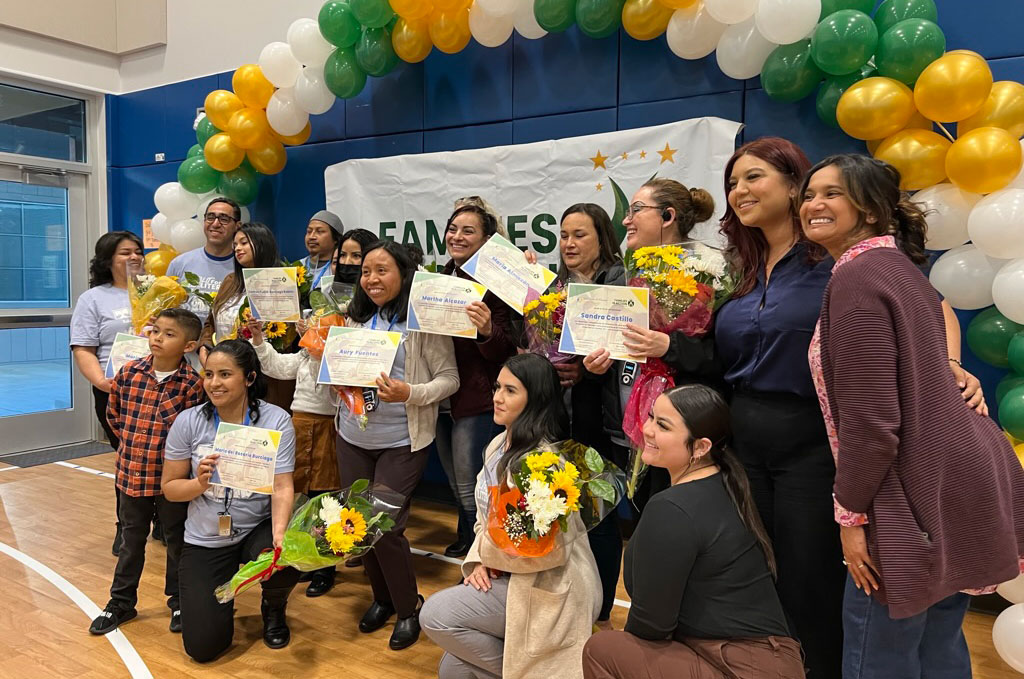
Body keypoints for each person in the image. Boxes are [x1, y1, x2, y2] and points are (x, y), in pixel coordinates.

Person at [713, 137, 988, 678]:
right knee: (769, 576)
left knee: (823, 585)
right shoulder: (743, 268)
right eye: (732, 182)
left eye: (753, 178)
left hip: (822, 446)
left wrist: (947, 370)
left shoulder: (843, 265)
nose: (738, 191)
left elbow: (926, 324)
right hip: (749, 445)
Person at [802, 154, 1024, 679]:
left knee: (878, 652)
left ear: (872, 210)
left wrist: (851, 516)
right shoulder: (896, 266)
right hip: (959, 477)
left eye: (833, 193)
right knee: (939, 645)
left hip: (911, 489)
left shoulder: (857, 277)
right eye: (810, 193)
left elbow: (874, 423)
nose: (815, 203)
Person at [582, 385, 805, 679]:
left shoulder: (673, 507)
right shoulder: (726, 482)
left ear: (701, 447)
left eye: (662, 425)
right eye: (650, 416)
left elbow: (650, 627)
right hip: (766, 660)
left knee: (604, 649)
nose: (647, 429)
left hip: (743, 666)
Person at [421, 353, 602, 679]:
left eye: (510, 391)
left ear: (536, 401)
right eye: (497, 387)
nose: (496, 398)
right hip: (508, 572)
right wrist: (477, 559)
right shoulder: (496, 446)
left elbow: (545, 553)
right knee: (452, 669)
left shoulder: (544, 463)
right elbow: (484, 520)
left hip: (549, 582)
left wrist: (488, 558)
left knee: (435, 616)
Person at [337, 240, 459, 650]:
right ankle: (382, 598)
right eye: (367, 271)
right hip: (352, 436)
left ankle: (409, 607)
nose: (372, 279)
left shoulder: (420, 322)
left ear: (404, 275)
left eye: (382, 270)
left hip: (402, 440)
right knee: (357, 529)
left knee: (384, 527)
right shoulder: (351, 322)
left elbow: (449, 379)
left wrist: (409, 392)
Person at [585, 179, 721, 509]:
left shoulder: (710, 272)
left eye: (636, 211)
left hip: (684, 428)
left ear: (668, 216)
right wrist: (595, 366)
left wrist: (668, 347)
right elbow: (606, 351)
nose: (626, 220)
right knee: (641, 510)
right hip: (627, 422)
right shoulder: (620, 274)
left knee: (676, 511)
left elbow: (722, 357)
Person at [162, 340, 300, 662]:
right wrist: (198, 483)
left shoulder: (276, 420)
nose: (213, 383)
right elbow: (169, 488)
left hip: (256, 527)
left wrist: (280, 535)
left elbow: (282, 486)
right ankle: (217, 605)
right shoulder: (189, 421)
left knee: (288, 550)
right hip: (207, 536)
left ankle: (273, 607)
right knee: (203, 649)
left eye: (225, 374)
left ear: (249, 378)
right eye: (208, 374)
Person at [88, 308, 206, 636]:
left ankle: (179, 600)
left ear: (189, 345)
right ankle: (121, 602)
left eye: (169, 334)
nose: (158, 338)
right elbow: (115, 416)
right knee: (131, 539)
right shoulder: (128, 373)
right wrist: (129, 448)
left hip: (171, 480)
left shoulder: (192, 385)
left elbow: (195, 433)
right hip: (132, 474)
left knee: (176, 540)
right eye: (155, 331)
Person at [555, 203, 627, 629]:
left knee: (599, 517)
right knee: (561, 512)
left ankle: (599, 610)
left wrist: (590, 365)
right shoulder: (552, 286)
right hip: (559, 418)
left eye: (579, 235)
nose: (568, 243)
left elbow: (635, 352)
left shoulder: (620, 282)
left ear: (602, 237)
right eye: (564, 235)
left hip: (602, 421)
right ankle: (570, 598)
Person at [436, 202, 517, 559]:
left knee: (471, 478)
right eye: (453, 229)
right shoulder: (438, 278)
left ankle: (477, 543)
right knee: (453, 477)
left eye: (468, 231)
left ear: (487, 240)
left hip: (475, 396)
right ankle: (466, 534)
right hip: (438, 394)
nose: (457, 236)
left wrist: (486, 329)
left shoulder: (497, 283)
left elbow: (507, 349)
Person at [245, 312, 340, 597]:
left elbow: (331, 386)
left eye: (319, 328)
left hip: (328, 428)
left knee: (326, 499)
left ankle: (326, 568)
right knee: (297, 497)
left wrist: (321, 349)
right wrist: (259, 338)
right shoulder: (301, 359)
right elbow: (275, 366)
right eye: (311, 325)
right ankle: (305, 561)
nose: (310, 330)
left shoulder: (334, 362)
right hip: (298, 424)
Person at [70, 230, 144, 555]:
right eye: (125, 253)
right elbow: (83, 347)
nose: (134, 257)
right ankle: (126, 527)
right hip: (115, 390)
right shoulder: (94, 298)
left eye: (138, 251)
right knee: (128, 459)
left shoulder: (156, 291)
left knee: (166, 457)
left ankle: (163, 524)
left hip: (159, 389)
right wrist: (102, 382)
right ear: (108, 260)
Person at [203, 222, 294, 412]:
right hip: (223, 374)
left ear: (261, 244)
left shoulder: (280, 282)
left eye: (244, 243)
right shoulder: (230, 281)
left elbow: (285, 339)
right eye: (235, 244)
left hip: (262, 378)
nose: (237, 248)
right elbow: (210, 322)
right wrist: (204, 349)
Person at [166, 197, 241, 316]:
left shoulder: (243, 266)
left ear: (237, 225)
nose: (215, 224)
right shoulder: (179, 263)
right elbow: (166, 309)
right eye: (210, 217)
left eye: (224, 219)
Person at [300, 210, 343, 292]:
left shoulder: (340, 269)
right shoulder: (296, 267)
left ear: (336, 239)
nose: (312, 237)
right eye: (309, 231)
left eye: (320, 231)